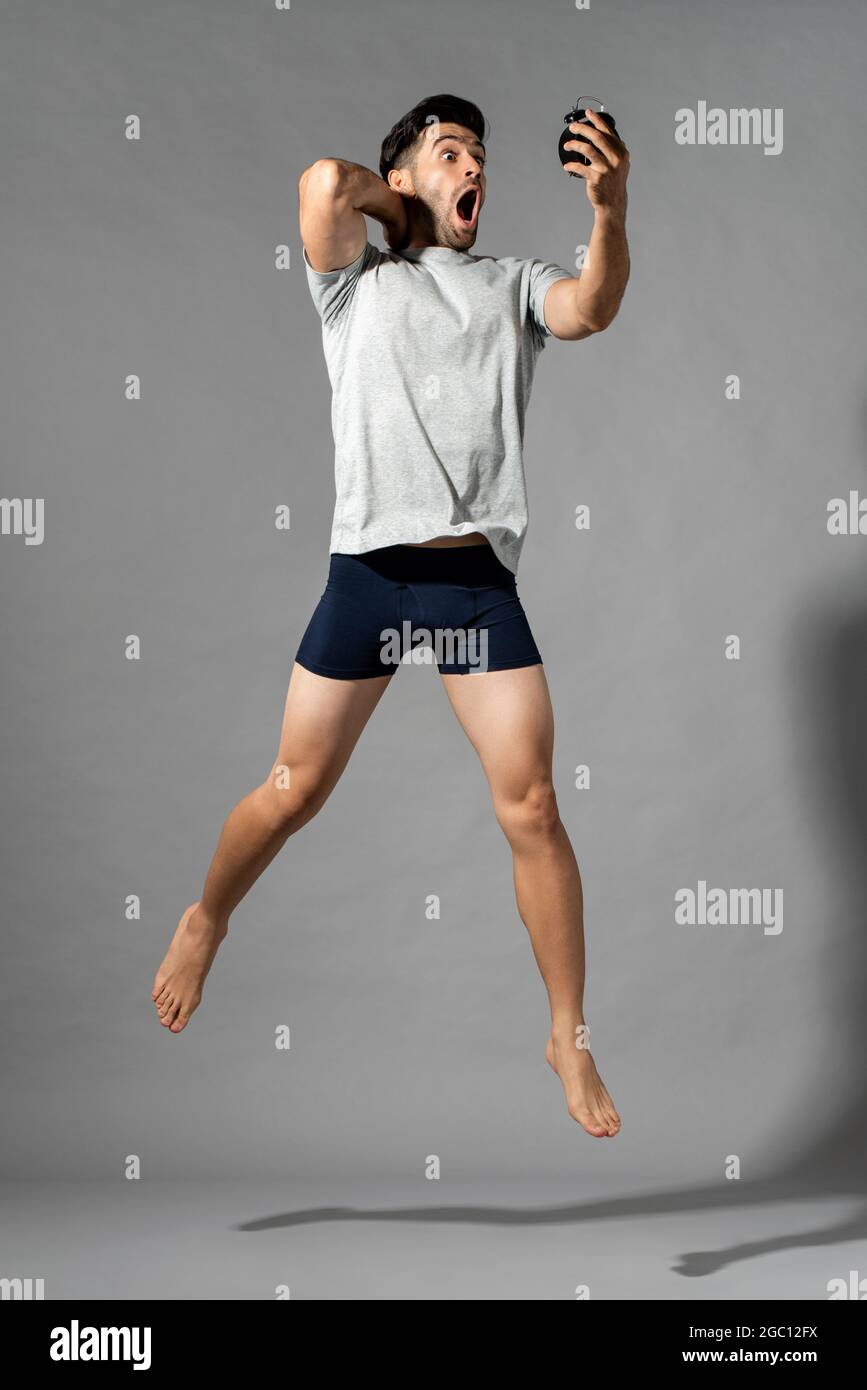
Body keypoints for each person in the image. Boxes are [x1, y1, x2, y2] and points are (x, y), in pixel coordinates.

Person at [152, 94, 630, 1139]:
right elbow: (324, 185)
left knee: (535, 808)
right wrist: (402, 211)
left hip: (470, 590)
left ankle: (567, 1032)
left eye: (482, 159)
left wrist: (609, 207)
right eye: (451, 152)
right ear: (407, 174)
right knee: (291, 791)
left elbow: (591, 307)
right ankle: (206, 915)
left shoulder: (511, 285)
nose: (478, 171)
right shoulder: (354, 287)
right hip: (369, 578)